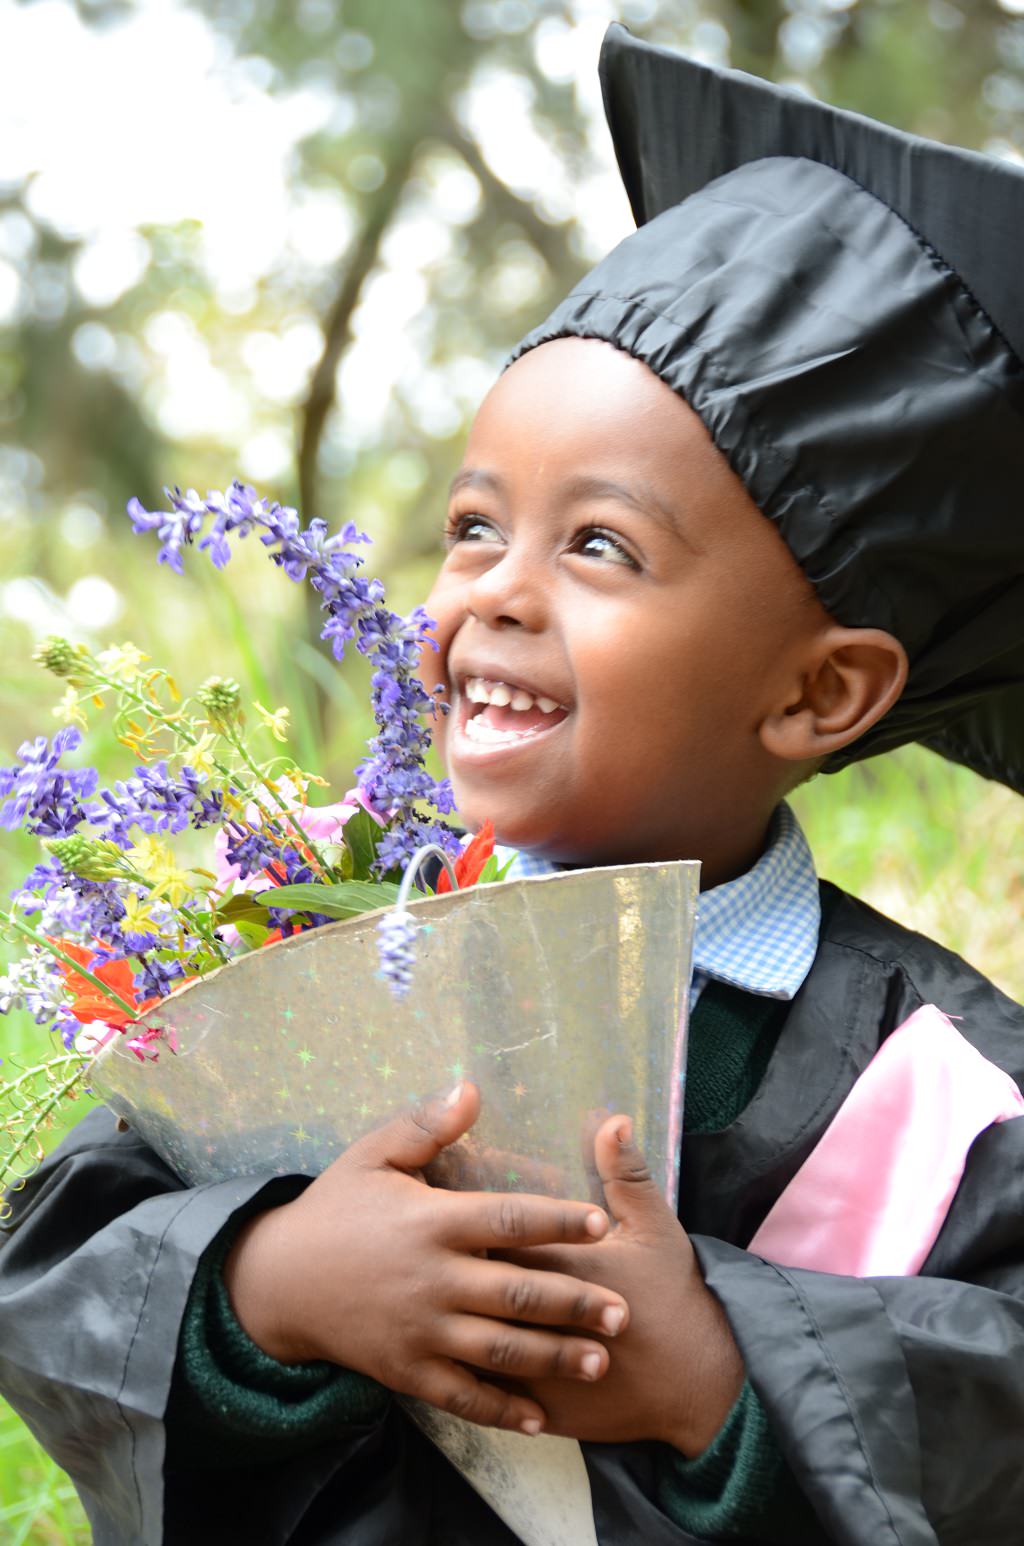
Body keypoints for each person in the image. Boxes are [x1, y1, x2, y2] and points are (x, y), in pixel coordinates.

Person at [3, 23, 1024, 1546]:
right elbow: (57, 1270)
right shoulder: (312, 932)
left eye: (598, 545)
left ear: (821, 689)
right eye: (475, 527)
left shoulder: (938, 1084)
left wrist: (717, 1373)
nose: (494, 593)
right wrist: (266, 1284)